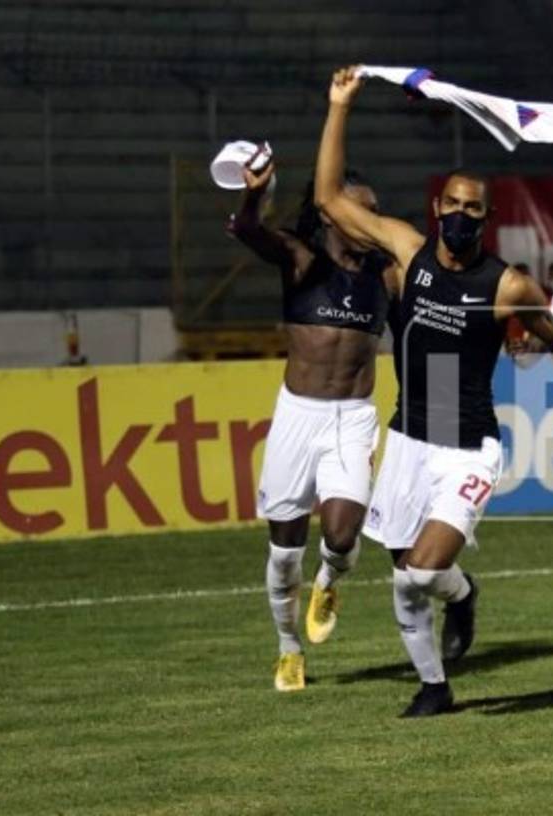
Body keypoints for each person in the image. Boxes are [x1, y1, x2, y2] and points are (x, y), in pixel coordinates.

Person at [315, 65, 553, 717]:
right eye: (454, 205)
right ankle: (461, 600)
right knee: (407, 567)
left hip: (468, 446)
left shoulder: (508, 286)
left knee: (415, 574)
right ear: (436, 209)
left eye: (475, 209)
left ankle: (435, 687)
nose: (463, 216)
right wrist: (340, 106)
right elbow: (330, 199)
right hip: (410, 433)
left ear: (487, 218)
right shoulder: (408, 252)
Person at [227, 148, 391, 692]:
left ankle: (329, 582)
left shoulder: (384, 276)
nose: (370, 222)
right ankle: (288, 648)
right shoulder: (302, 261)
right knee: (283, 552)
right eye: (360, 212)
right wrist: (254, 192)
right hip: (300, 416)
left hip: (352, 417)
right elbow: (250, 228)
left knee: (342, 537)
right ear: (330, 214)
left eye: (375, 212)